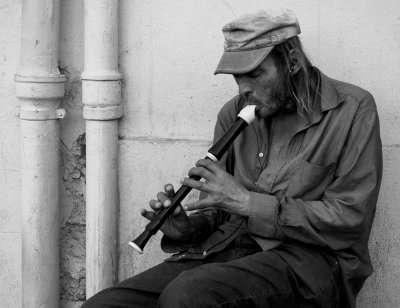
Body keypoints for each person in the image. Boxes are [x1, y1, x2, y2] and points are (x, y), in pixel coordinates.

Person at [82, 9, 382, 308]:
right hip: (227, 250)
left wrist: (250, 203)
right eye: (238, 76)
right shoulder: (233, 113)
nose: (244, 89)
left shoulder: (352, 109)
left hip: (307, 262)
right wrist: (189, 228)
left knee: (188, 296)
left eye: (255, 74)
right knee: (105, 304)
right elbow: (222, 211)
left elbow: (349, 219)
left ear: (291, 61)